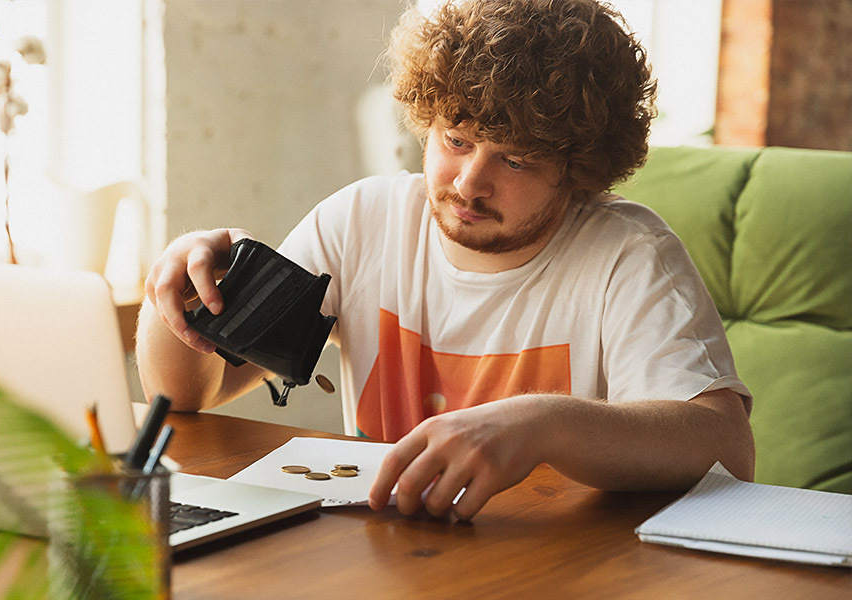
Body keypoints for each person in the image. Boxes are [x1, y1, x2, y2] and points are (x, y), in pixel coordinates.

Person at [137, 0, 755, 521]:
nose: (469, 183)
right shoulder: (362, 221)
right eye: (456, 141)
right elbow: (189, 394)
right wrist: (176, 287)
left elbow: (726, 445)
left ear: (580, 170)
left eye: (515, 160)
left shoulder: (627, 255)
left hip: (559, 566)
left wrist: (542, 423)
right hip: (382, 553)